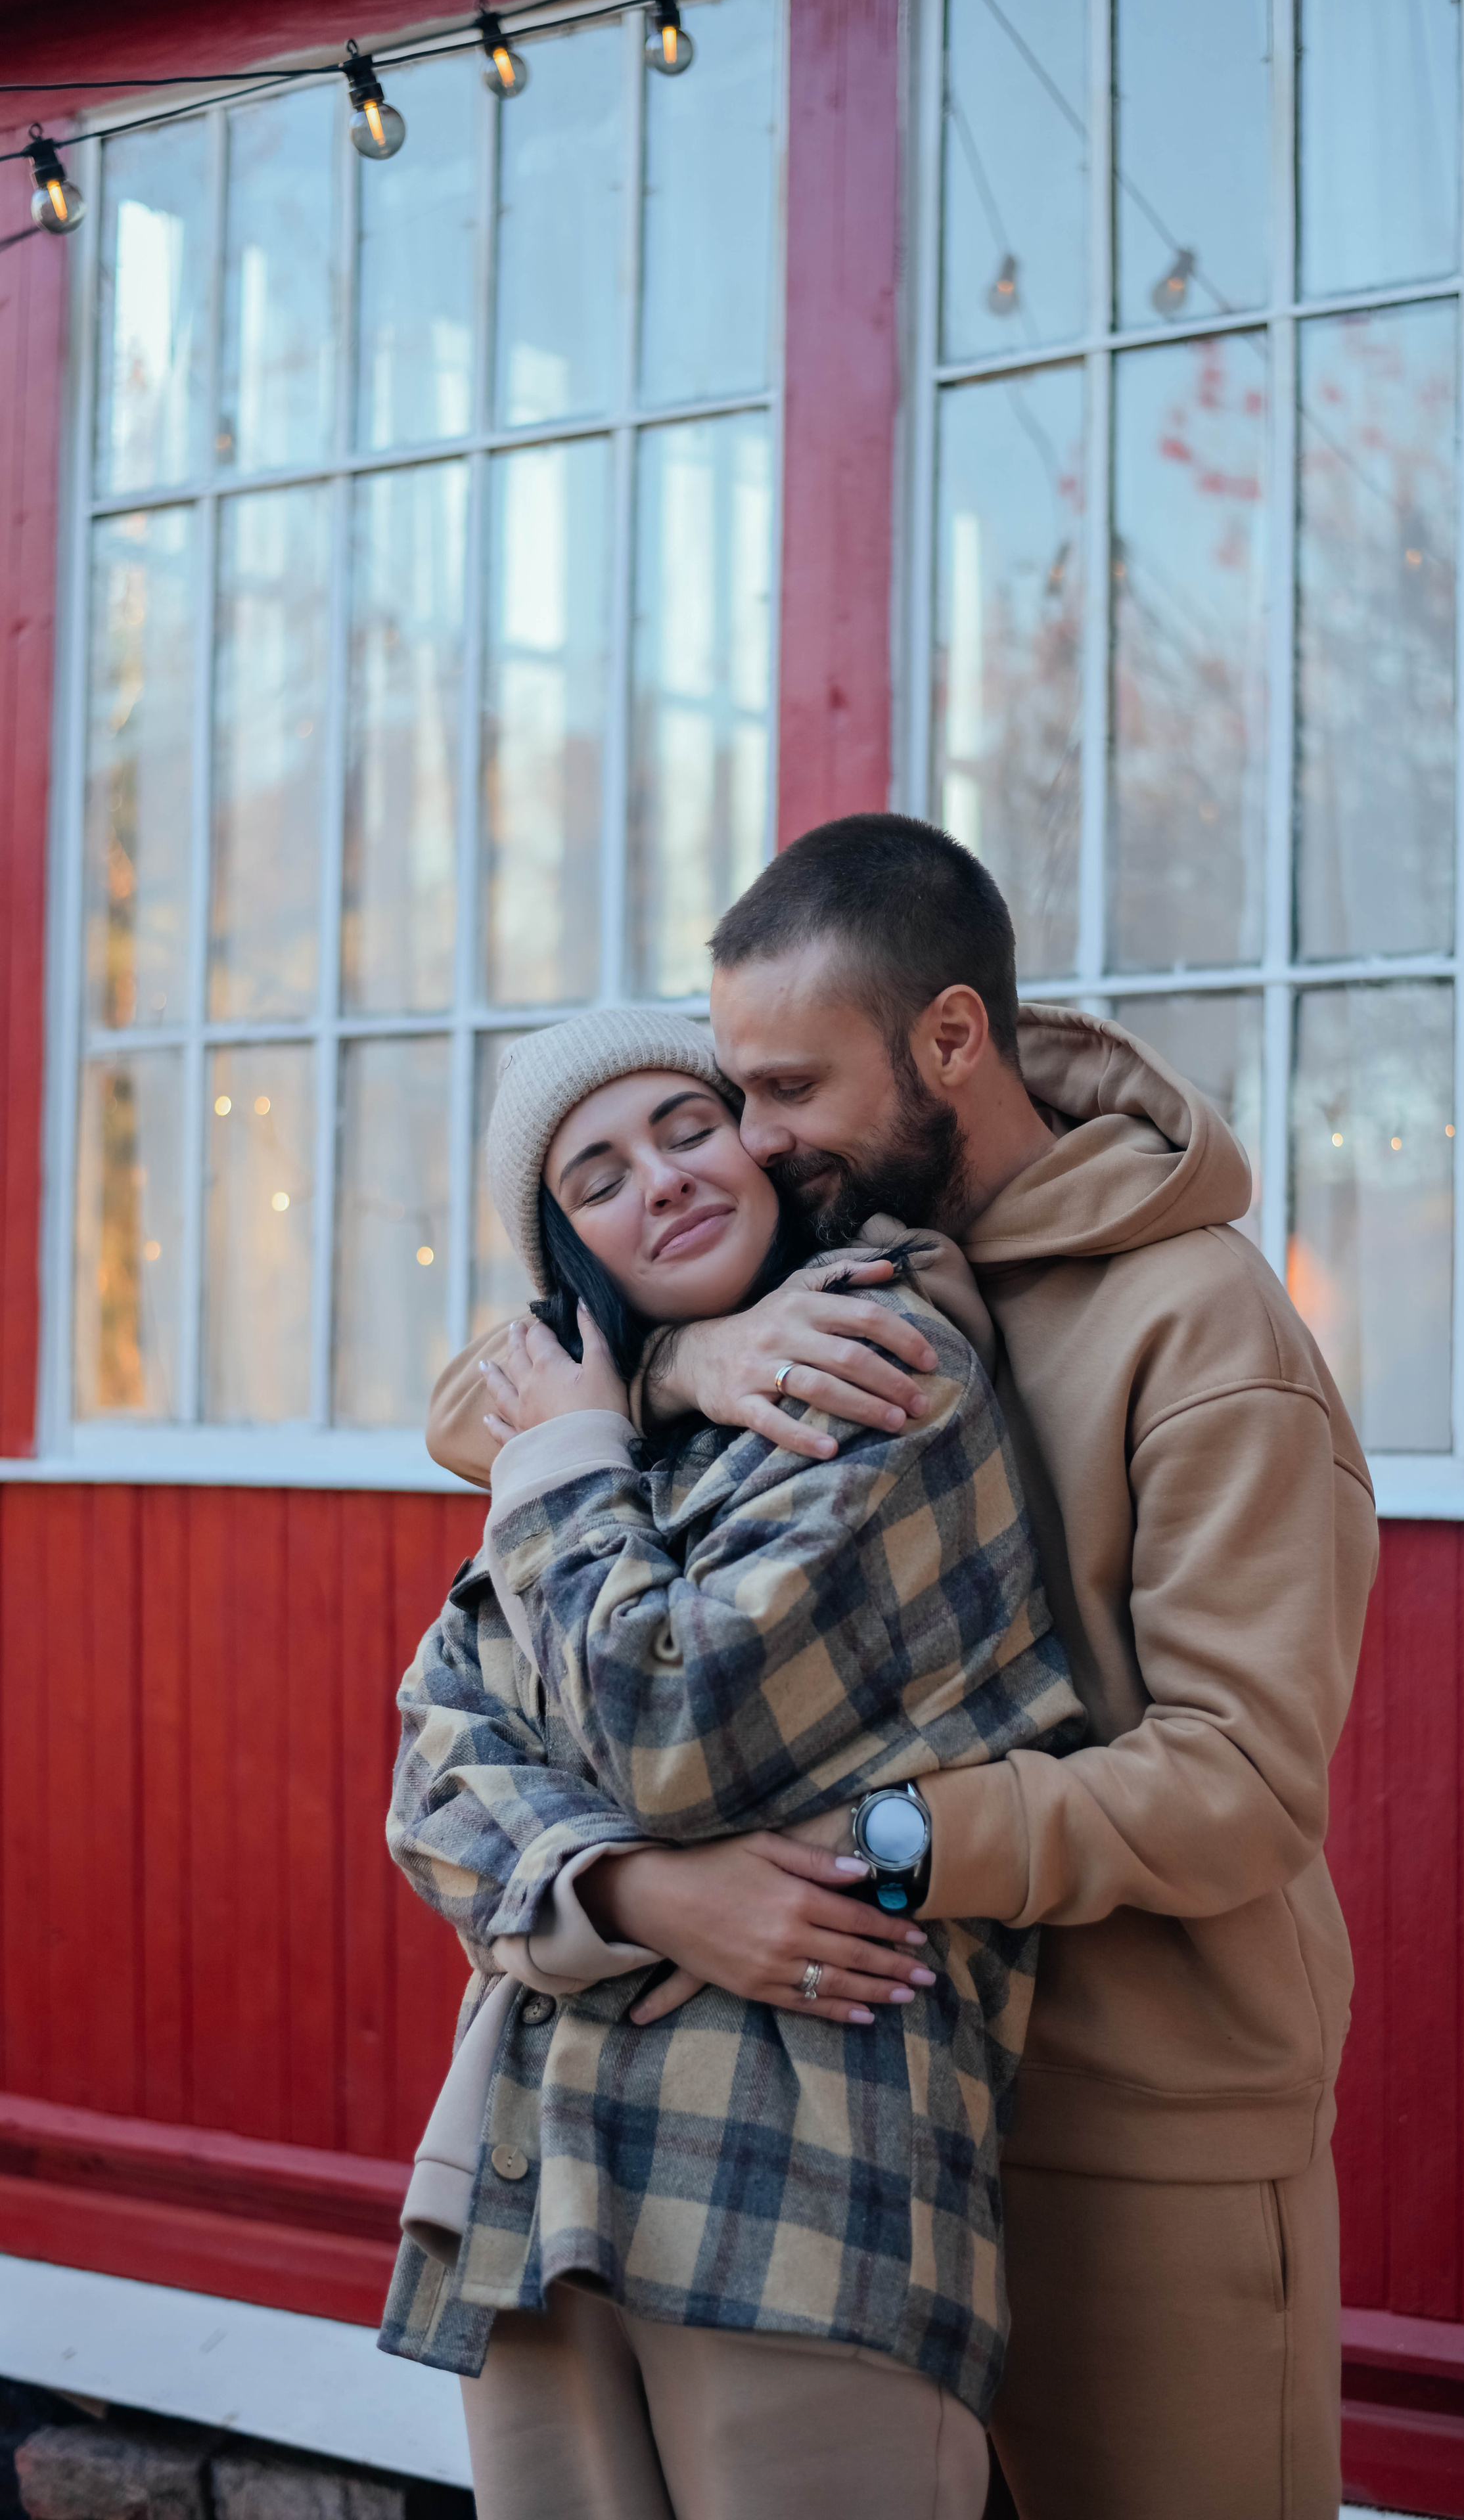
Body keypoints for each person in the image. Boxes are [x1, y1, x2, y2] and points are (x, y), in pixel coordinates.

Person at [429, 822, 1382, 2520]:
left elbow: (1243, 1783)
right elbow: (486, 1396)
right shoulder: (800, 1275)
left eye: (780, 1092)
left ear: (949, 1044)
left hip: (1128, 2132)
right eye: (737, 1092)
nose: (750, 1142)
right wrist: (682, 1362)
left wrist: (884, 1846)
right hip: (880, 2114)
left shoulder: (1204, 1332)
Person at [380, 1007, 1087, 2520]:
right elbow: (436, 1768)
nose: (663, 1180)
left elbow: (668, 1732)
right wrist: (639, 1894)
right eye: (598, 1175)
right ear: (568, 1251)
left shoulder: (868, 1362)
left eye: (685, 1128)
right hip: (539, 2171)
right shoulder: (610, 1435)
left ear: (762, 1146)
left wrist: (565, 1459)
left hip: (788, 2173)